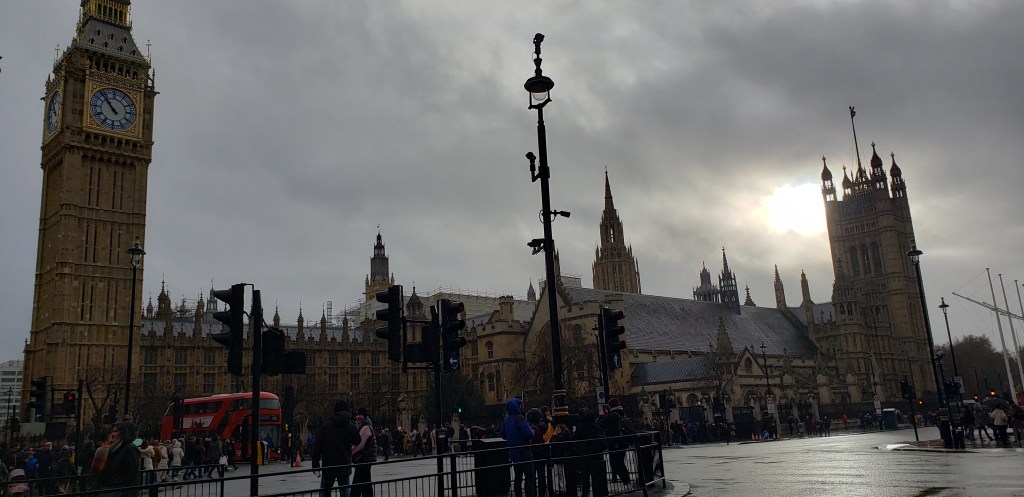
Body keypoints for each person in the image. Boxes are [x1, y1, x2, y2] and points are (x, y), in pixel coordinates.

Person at [312, 400, 359, 497]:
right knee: (345, 490)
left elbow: (317, 447)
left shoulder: (325, 426)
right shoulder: (350, 426)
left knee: (325, 491)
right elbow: (357, 441)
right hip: (344, 463)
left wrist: (315, 465)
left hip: (329, 464)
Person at [93, 421, 142, 495]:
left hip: (118, 491)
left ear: (124, 433)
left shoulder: (129, 449)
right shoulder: (108, 448)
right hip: (106, 489)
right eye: (112, 431)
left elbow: (133, 475)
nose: (112, 434)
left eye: (115, 431)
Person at [500, 397, 535, 497]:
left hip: (513, 453)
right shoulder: (519, 418)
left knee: (517, 477)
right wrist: (532, 431)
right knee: (529, 477)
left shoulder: (506, 420)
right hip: (524, 452)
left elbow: (502, 435)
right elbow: (528, 434)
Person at [601, 398, 631, 485]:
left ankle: (626, 480)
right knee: (620, 461)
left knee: (615, 463)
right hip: (623, 441)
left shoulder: (612, 415)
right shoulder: (622, 413)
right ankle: (626, 479)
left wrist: (603, 415)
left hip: (614, 442)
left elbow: (601, 425)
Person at [351, 407, 377, 497]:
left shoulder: (365, 428)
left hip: (363, 459)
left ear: (365, 416)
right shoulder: (364, 426)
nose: (358, 417)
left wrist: (350, 452)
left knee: (356, 485)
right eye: (357, 415)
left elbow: (359, 444)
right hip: (366, 459)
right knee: (366, 483)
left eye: (360, 415)